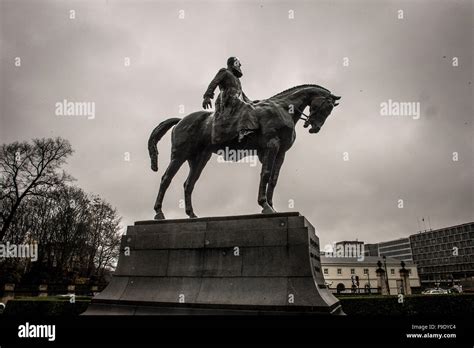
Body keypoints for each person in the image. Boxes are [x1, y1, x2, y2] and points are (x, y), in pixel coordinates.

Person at [202, 57, 257, 143]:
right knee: (246, 107)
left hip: (236, 100)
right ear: (234, 63)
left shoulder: (237, 80)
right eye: (238, 63)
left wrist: (252, 102)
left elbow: (241, 94)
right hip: (226, 99)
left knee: (250, 107)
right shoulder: (224, 72)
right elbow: (214, 82)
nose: (240, 65)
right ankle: (243, 130)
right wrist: (207, 96)